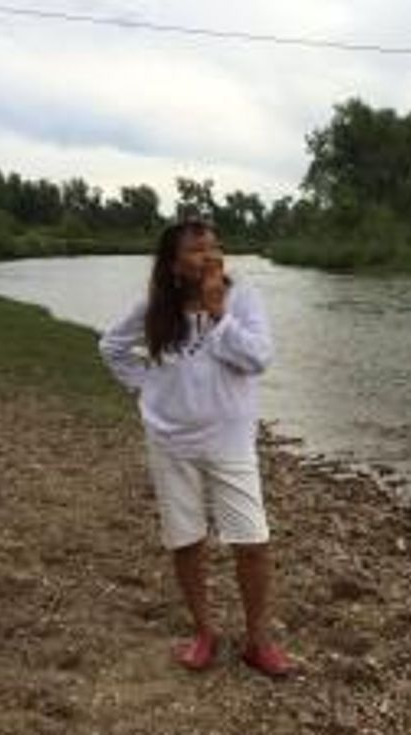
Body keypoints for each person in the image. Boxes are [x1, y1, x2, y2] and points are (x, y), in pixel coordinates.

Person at [97, 218, 293, 676]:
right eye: (197, 249)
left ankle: (257, 641)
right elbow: (112, 348)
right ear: (172, 263)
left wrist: (219, 313)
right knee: (185, 539)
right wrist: (147, 389)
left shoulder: (241, 297)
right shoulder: (155, 305)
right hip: (170, 439)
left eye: (216, 247)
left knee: (252, 541)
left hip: (230, 439)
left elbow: (259, 358)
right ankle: (204, 631)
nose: (211, 256)